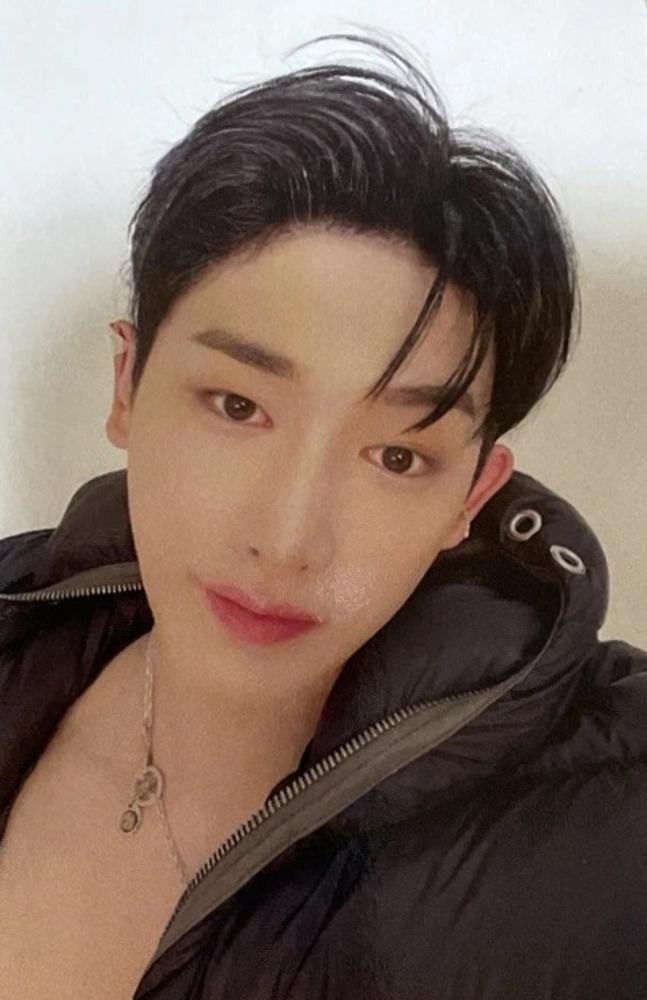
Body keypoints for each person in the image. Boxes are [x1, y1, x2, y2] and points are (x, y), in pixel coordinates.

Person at [1, 31, 646, 1000]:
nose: (288, 540)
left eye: (396, 456)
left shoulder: (609, 827)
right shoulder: (17, 619)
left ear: (471, 497)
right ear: (128, 386)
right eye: (236, 406)